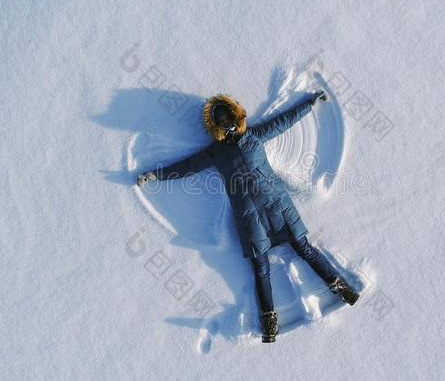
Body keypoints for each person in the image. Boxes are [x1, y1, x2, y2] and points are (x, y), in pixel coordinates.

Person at [137, 91, 359, 343]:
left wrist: (309, 103)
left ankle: (340, 288)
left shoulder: (254, 136)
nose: (228, 125)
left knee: (305, 248)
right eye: (221, 122)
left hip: (278, 205)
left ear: (236, 116)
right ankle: (269, 320)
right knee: (260, 268)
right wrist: (155, 175)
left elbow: (285, 120)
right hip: (248, 217)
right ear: (216, 127)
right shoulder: (215, 153)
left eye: (229, 118)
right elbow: (186, 167)